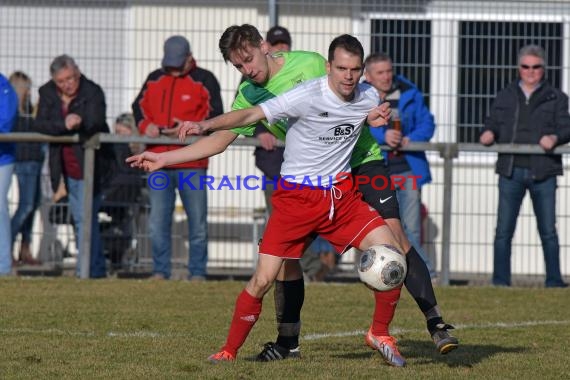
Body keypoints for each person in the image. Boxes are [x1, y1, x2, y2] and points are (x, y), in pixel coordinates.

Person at [133, 24, 458, 364]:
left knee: (395, 245)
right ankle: (281, 343)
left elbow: (348, 97)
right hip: (304, 189)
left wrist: (371, 116)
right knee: (280, 269)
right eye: (238, 67)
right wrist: (170, 154)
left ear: (264, 46)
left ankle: (432, 323)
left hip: (358, 166)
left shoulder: (314, 65)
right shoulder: (254, 92)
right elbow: (229, 133)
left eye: (248, 60)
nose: (247, 70)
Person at [131, 35, 223, 281]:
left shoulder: (205, 80)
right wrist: (146, 126)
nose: (172, 69)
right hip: (157, 160)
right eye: (169, 63)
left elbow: (216, 117)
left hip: (193, 163)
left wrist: (188, 127)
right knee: (157, 221)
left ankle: (197, 272)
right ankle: (160, 271)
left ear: (189, 57)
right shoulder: (153, 78)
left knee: (198, 222)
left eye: (176, 63)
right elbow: (137, 107)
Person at [480, 44, 570, 288]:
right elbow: (492, 123)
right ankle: (500, 282)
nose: (531, 71)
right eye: (526, 66)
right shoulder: (505, 95)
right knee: (503, 231)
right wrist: (488, 133)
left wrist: (555, 138)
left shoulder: (557, 97)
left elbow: (566, 127)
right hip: (510, 171)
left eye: (536, 67)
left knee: (548, 231)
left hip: (544, 172)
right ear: (519, 68)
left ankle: (554, 282)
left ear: (544, 68)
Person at [35, 54, 109, 278]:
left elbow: (96, 121)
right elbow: (41, 124)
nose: (67, 84)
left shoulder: (92, 91)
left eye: (70, 78)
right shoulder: (47, 93)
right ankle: (92, 270)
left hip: (90, 165)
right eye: (61, 81)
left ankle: (88, 271)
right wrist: (65, 124)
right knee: (83, 218)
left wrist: (80, 121)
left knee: (84, 218)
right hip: (63, 166)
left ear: (77, 72)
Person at [364, 52, 437, 278]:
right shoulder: (360, 96)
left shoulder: (409, 92)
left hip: (407, 168)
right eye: (380, 73)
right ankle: (389, 273)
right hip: (376, 169)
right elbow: (356, 127)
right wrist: (382, 137)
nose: (387, 77)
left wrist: (410, 139)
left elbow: (428, 123)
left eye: (389, 71)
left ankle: (422, 274)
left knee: (411, 228)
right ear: (368, 75)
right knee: (381, 227)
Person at [9, 71, 44, 266]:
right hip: (23, 162)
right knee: (26, 205)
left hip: (36, 159)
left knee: (33, 207)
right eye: (26, 88)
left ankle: (25, 248)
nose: (29, 92)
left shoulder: (32, 110)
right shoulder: (12, 111)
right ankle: (7, 246)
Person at [0, 72, 18, 276]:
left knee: (0, 208)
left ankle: (3, 266)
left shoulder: (4, 87)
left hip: (2, 158)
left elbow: (5, 122)